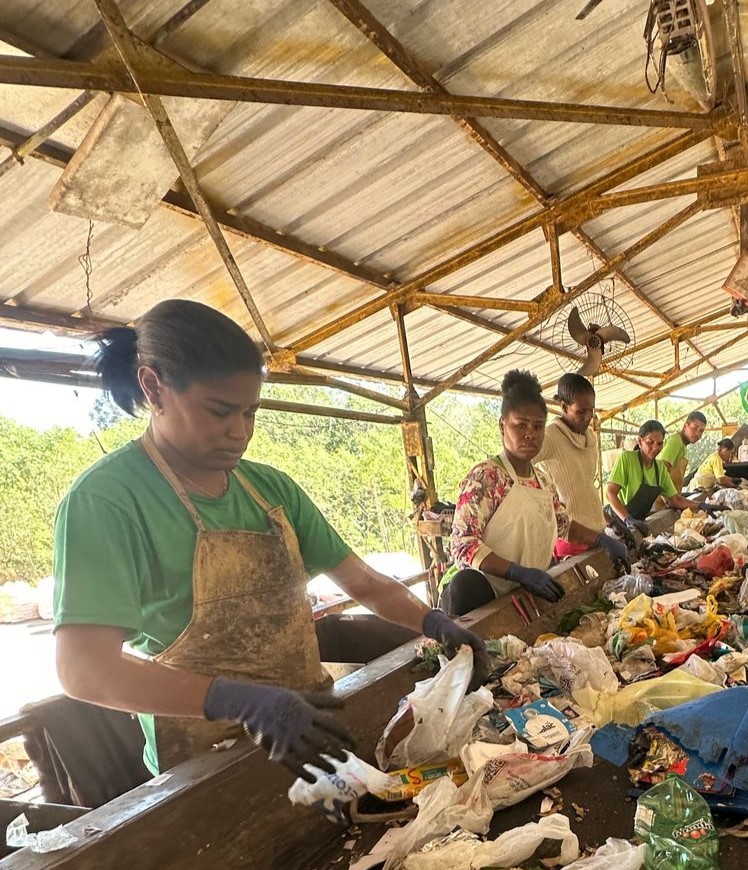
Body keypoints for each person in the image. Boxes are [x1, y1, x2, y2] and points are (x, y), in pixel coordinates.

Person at [52, 300, 488, 780]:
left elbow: (362, 581)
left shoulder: (269, 491)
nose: (239, 432)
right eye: (219, 412)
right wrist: (233, 700)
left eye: (250, 413)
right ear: (154, 387)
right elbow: (83, 669)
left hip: (312, 728)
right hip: (205, 763)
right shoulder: (108, 501)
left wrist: (433, 621)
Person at [443, 370, 628, 616]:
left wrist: (603, 540)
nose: (530, 433)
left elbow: (564, 524)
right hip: (481, 595)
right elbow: (462, 544)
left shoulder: (542, 481)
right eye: (521, 425)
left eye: (538, 426)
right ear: (502, 425)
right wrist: (516, 571)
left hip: (524, 592)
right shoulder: (486, 477)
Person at [606, 419, 718, 534]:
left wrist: (701, 505)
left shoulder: (660, 469)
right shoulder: (627, 459)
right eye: (650, 442)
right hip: (615, 522)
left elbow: (675, 500)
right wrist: (627, 518)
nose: (655, 448)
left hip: (637, 522)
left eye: (659, 443)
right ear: (640, 441)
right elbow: (610, 493)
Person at [535, 373, 605, 556]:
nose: (588, 416)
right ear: (564, 407)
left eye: (592, 410)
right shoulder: (550, 437)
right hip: (573, 541)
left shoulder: (590, 437)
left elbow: (586, 488)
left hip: (598, 533)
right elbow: (520, 461)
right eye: (581, 411)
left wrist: (610, 519)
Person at [660, 411, 707, 493]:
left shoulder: (683, 446)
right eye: (694, 428)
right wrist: (669, 500)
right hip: (661, 501)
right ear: (685, 426)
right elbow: (660, 472)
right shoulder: (675, 442)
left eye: (701, 431)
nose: (697, 433)